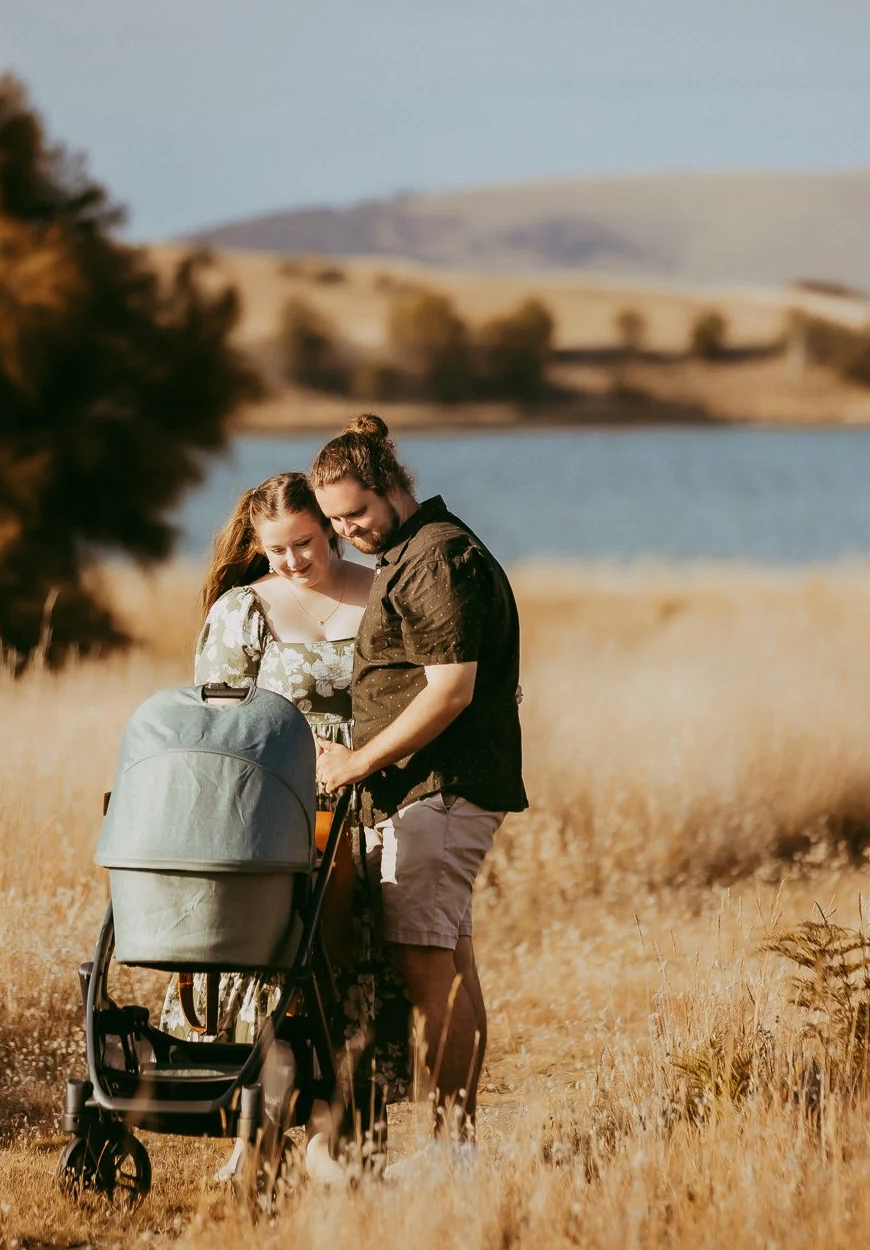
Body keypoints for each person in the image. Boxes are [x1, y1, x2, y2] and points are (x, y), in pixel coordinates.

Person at [165, 470, 407, 1181]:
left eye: (304, 542)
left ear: (329, 527)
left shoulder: (381, 591)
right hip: (279, 814)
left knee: (357, 974)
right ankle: (256, 1132)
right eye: (277, 550)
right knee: (277, 966)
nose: (294, 561)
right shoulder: (244, 611)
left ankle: (340, 1136)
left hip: (372, 804)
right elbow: (217, 726)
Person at [309, 414, 527, 1175]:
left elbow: (453, 691)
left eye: (356, 513)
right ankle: (454, 1145)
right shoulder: (415, 552)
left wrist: (356, 762)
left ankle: (451, 1151)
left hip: (439, 793)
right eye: (335, 522)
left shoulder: (437, 557)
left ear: (392, 487)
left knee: (430, 972)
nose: (349, 532)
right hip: (428, 795)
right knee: (452, 966)